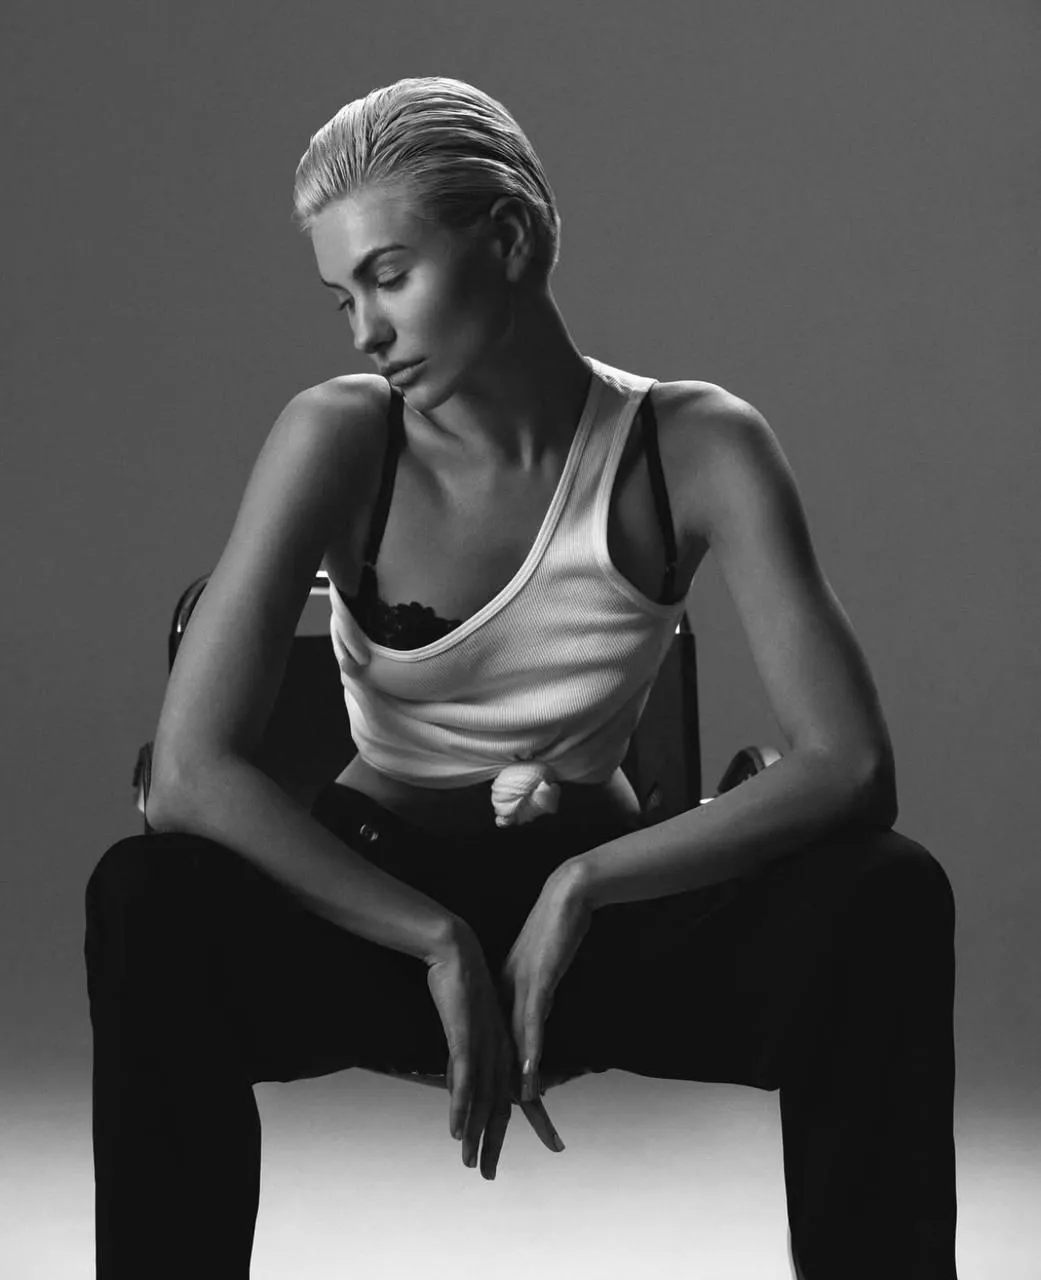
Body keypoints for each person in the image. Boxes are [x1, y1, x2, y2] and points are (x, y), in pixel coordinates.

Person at [84, 76, 957, 1279]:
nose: (363, 332)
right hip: (378, 917)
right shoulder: (337, 436)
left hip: (600, 930)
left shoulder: (695, 445)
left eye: (389, 276)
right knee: (146, 898)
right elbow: (188, 777)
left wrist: (586, 883)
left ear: (507, 238)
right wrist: (438, 939)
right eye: (342, 295)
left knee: (886, 894)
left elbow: (852, 766)